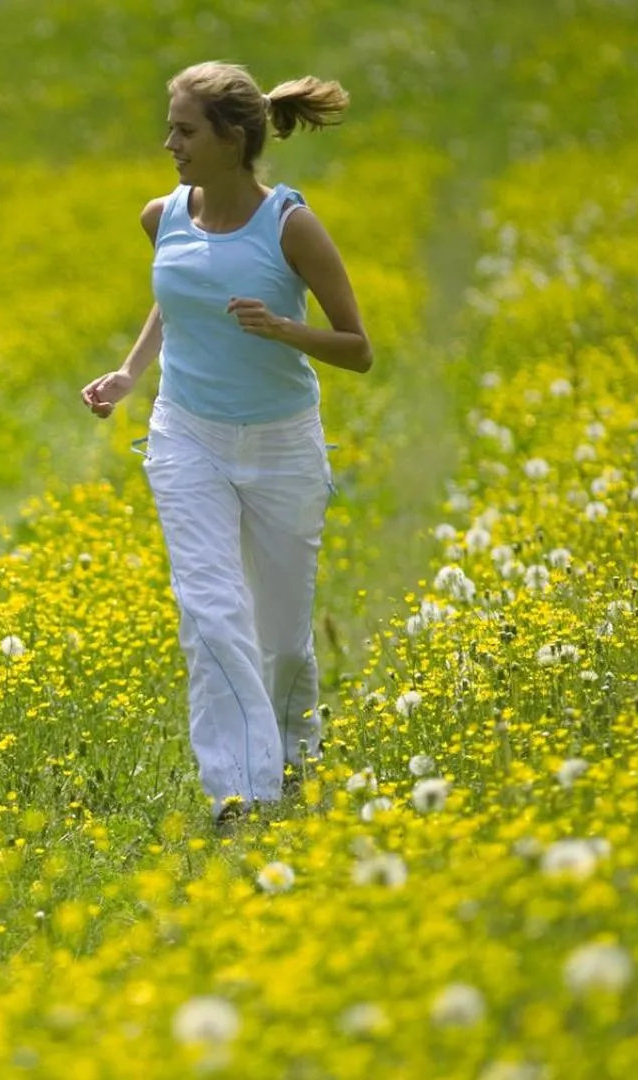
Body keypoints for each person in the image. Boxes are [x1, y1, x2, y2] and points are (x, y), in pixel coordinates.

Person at [81, 62, 372, 825]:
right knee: (210, 613)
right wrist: (128, 373)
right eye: (170, 127)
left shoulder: (289, 225)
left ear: (231, 138)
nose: (167, 143)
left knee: (278, 639)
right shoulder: (161, 215)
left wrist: (283, 329)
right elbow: (174, 299)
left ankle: (293, 750)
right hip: (187, 438)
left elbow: (356, 347)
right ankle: (240, 793)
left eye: (183, 129)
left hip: (279, 446)